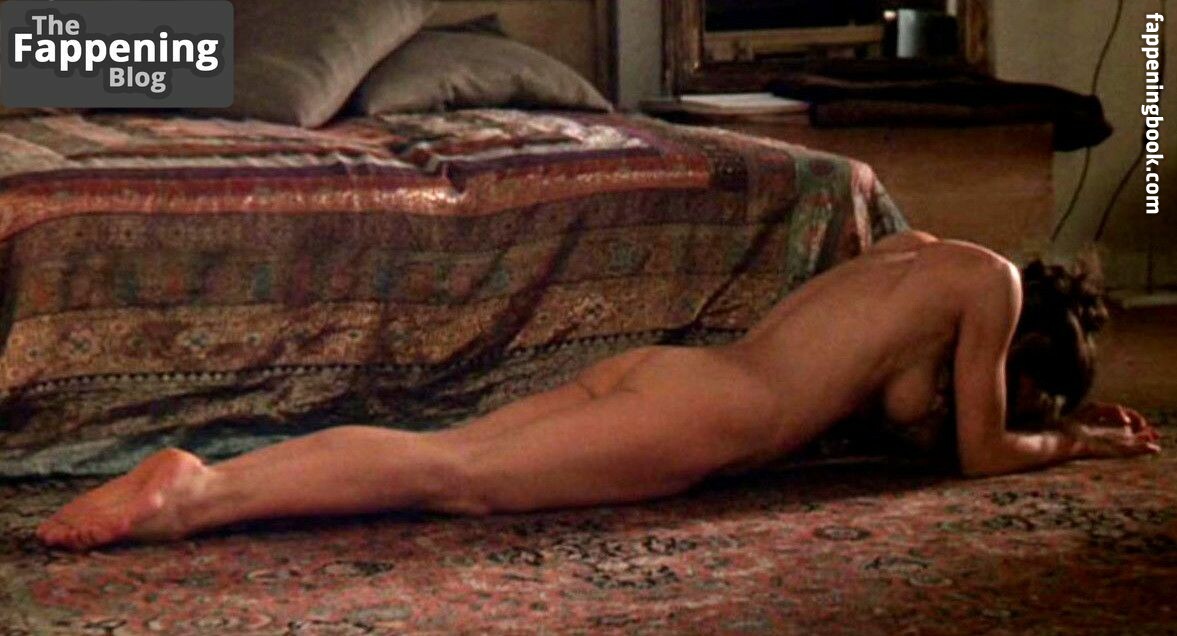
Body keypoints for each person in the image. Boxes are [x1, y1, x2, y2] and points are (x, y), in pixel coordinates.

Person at [37, 232, 1161, 551]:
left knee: (452, 452)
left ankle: (212, 479)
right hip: (707, 416)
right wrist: (1076, 447)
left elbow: (890, 397)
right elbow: (976, 451)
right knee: (455, 476)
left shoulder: (915, 253)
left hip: (675, 375)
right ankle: (194, 496)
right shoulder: (989, 285)